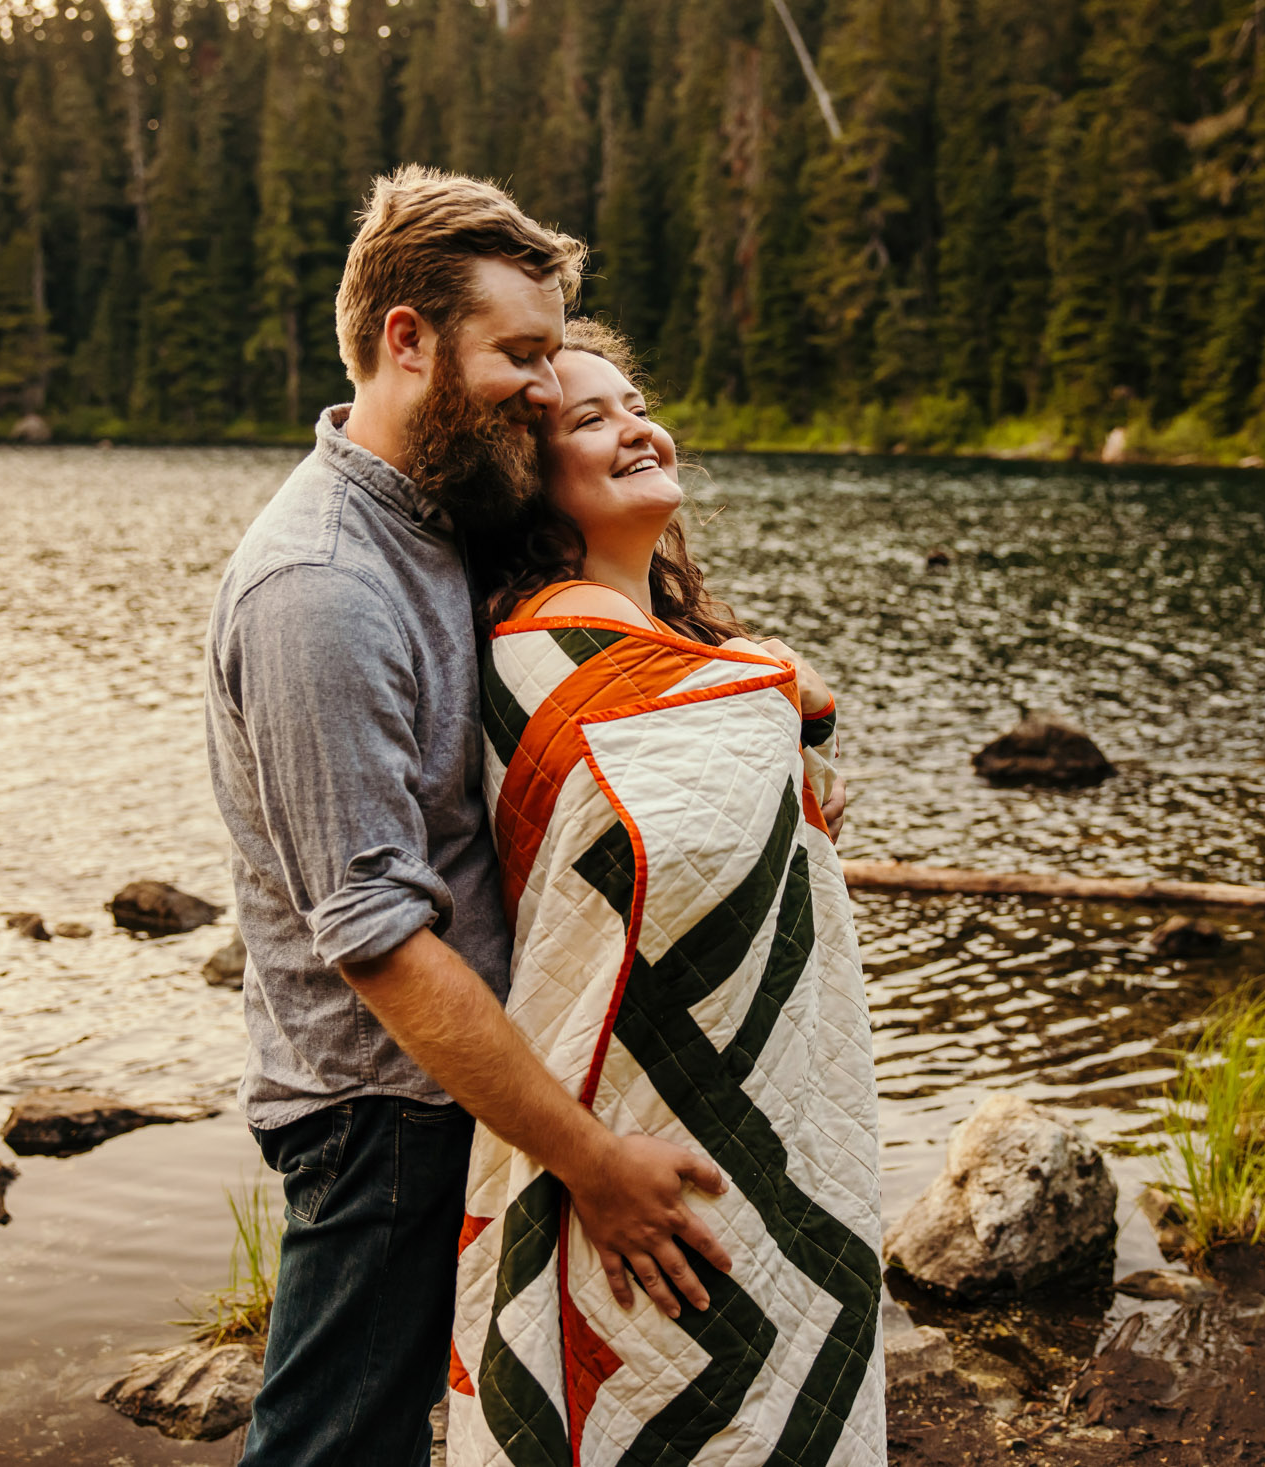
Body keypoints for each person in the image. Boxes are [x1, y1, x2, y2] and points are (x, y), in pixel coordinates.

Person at [203, 169, 847, 1465]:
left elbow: (617, 626)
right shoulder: (319, 587)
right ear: (407, 338)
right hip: (386, 1109)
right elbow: (378, 936)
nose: (546, 389)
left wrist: (774, 692)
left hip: (493, 1080)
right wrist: (595, 1161)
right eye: (523, 354)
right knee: (335, 1443)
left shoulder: (443, 502)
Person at [447, 320, 885, 1466]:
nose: (638, 426)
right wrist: (778, 684)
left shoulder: (688, 655)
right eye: (590, 419)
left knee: (786, 1384)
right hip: (623, 1130)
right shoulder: (539, 653)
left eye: (634, 401)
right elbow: (697, 801)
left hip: (765, 1112)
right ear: (530, 482)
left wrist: (765, 693)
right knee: (649, 1400)